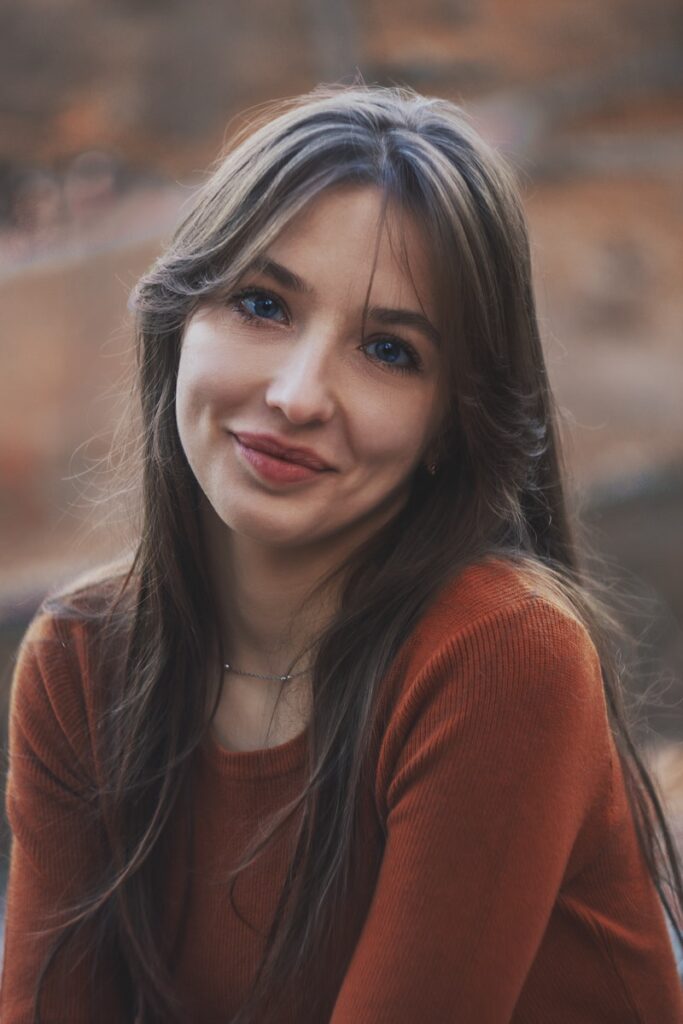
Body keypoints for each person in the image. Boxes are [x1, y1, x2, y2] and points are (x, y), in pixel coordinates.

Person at [1, 81, 682, 1024]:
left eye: (389, 351)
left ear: (452, 424)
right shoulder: (80, 662)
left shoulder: (499, 656)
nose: (297, 393)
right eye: (261, 303)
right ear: (178, 322)